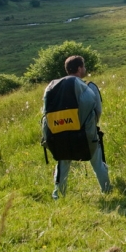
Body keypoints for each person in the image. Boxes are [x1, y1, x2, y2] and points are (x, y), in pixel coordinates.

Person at [43, 55, 111, 199]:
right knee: (97, 162)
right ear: (80, 69)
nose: (85, 69)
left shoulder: (53, 88)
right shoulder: (88, 86)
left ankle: (58, 196)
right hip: (85, 137)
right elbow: (97, 112)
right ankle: (107, 191)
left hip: (59, 137)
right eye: (84, 66)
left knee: (63, 164)